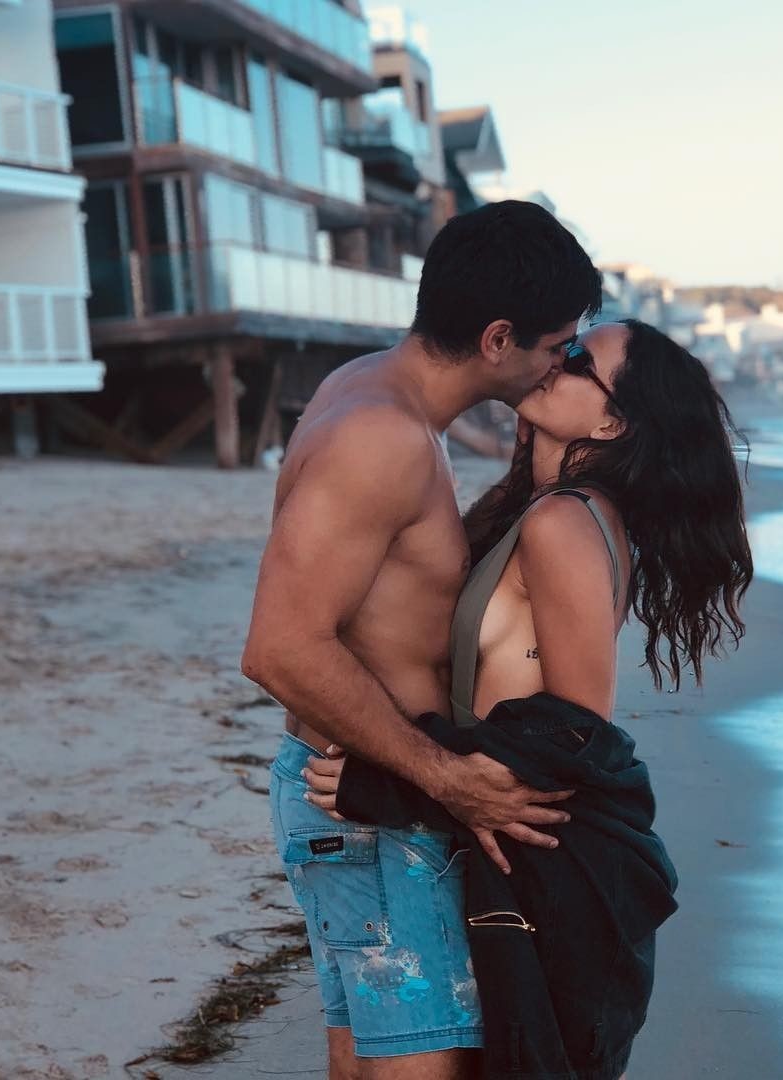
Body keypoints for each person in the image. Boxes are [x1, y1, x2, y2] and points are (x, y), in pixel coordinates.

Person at [306, 318, 755, 1079]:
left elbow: (573, 735)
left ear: (611, 423)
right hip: (495, 843)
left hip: (530, 859)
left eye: (579, 360)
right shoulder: (546, 508)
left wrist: (391, 779)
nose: (555, 359)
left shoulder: (563, 521)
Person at [241, 200, 603, 1080]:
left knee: (363, 1059)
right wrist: (444, 779)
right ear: (498, 339)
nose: (561, 366)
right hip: (369, 807)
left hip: (354, 797)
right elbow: (280, 648)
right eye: (558, 347)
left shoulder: (375, 393)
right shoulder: (381, 437)